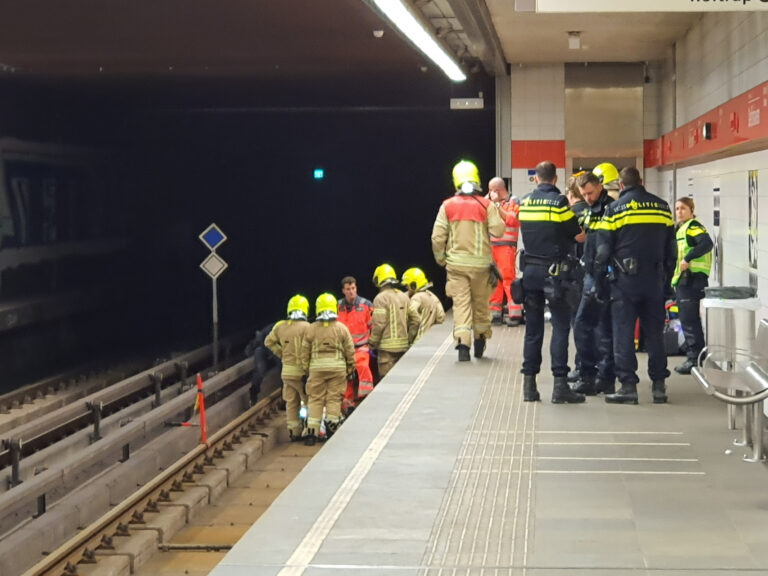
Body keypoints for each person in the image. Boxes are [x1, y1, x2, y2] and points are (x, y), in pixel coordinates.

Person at [595, 166, 676, 404]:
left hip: (624, 282)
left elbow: (602, 251)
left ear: (621, 185)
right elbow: (672, 249)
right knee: (655, 335)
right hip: (654, 281)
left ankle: (628, 387)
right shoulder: (662, 207)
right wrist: (666, 280)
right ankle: (659, 386)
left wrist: (600, 282)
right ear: (641, 181)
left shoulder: (614, 209)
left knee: (623, 333)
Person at [517, 161, 584, 403]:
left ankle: (529, 387)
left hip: (530, 274)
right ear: (555, 179)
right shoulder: (559, 202)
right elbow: (577, 233)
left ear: (535, 178)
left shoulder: (523, 202)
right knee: (560, 328)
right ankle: (559, 387)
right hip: (556, 275)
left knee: (533, 331)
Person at [431, 160, 505, 361]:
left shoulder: (447, 206)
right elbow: (499, 230)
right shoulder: (486, 205)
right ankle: (480, 340)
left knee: (461, 304)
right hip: (481, 266)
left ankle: (463, 345)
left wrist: (441, 260)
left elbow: (437, 237)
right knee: (481, 303)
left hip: (456, 266)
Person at [571, 171, 616, 396]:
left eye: (590, 192)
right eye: (584, 194)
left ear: (599, 186)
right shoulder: (591, 209)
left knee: (598, 328)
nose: (587, 198)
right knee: (592, 327)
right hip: (591, 273)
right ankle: (595, 375)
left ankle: (597, 376)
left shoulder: (611, 208)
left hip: (603, 276)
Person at [299, 293, 356, 446]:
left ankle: (312, 432)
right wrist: (351, 367)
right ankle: (332, 428)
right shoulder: (341, 328)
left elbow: (304, 352)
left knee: (315, 399)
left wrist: (306, 370)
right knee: (334, 398)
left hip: (316, 369)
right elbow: (349, 350)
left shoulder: (311, 329)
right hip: (338, 370)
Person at [671, 197, 713, 375]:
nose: (679, 212)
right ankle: (695, 356)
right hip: (685, 280)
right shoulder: (681, 228)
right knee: (688, 319)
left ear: (691, 210)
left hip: (692, 279)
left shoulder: (693, 226)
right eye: (677, 208)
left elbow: (707, 243)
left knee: (689, 320)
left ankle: (694, 358)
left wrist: (688, 258)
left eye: (683, 208)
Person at [264, 295, 311, 442]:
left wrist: (281, 354)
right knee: (309, 401)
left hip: (287, 373)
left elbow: (268, 342)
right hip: (302, 373)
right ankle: (309, 430)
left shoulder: (280, 327)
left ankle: (294, 432)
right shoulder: (307, 327)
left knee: (291, 403)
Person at [369, 263, 420, 377]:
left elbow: (379, 324)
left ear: (378, 279)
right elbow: (416, 320)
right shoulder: (404, 296)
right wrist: (409, 339)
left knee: (386, 383)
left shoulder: (380, 298)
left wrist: (372, 343)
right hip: (403, 348)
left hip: (386, 352)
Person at [486, 177, 523, 326]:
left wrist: (496, 205)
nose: (489, 193)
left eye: (491, 190)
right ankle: (495, 313)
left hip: (507, 246)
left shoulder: (513, 201)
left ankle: (515, 314)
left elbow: (512, 220)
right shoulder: (488, 201)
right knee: (494, 280)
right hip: (491, 246)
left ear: (498, 190)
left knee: (508, 278)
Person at [337, 276, 375, 411]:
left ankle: (367, 398)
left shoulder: (366, 305)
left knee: (363, 367)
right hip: (344, 350)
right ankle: (348, 403)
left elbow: (373, 325)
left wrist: (372, 342)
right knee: (346, 375)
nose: (351, 291)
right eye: (348, 289)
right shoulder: (338, 306)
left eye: (353, 288)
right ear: (343, 291)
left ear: (356, 288)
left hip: (362, 347)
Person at [565, 174, 589, 383]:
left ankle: (582, 367)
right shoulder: (594, 212)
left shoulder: (569, 215)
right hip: (593, 274)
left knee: (578, 324)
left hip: (574, 275)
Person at [401, 267, 446, 342]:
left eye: (407, 285)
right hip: (431, 339)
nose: (407, 288)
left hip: (418, 341)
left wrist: (409, 339)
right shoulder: (433, 296)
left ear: (413, 285)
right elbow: (441, 318)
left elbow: (413, 319)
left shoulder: (416, 298)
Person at [244, 322, 280, 405]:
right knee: (260, 370)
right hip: (262, 346)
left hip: (275, 347)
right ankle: (253, 395)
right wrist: (250, 348)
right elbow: (259, 337)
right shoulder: (277, 328)